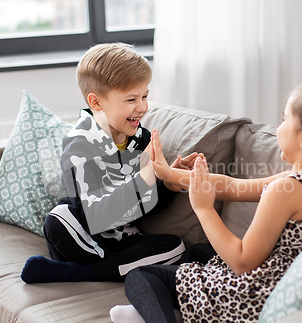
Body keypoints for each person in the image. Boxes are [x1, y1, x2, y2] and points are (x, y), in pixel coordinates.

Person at [110, 68, 302, 323]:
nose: (279, 126)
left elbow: (241, 261)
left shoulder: (285, 190)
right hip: (267, 286)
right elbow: (232, 186)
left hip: (247, 301)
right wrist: (173, 175)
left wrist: (203, 208)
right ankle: (176, 313)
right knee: (199, 252)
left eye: (285, 119)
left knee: (142, 276)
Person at [21, 43, 193, 283]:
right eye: (131, 99)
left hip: (125, 239)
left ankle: (84, 271)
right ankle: (111, 267)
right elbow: (93, 214)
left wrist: (169, 185)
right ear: (97, 103)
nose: (142, 107)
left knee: (176, 246)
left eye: (145, 96)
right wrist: (145, 178)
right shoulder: (78, 144)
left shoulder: (142, 139)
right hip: (85, 233)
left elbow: (145, 206)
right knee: (58, 219)